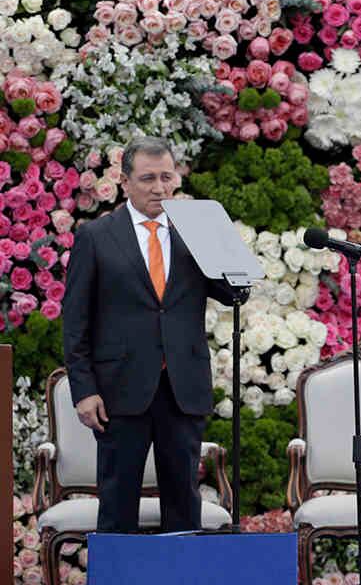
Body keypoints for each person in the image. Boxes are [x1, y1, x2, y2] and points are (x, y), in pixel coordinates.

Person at [62, 136, 235, 533]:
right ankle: (117, 576)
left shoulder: (194, 232)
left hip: (182, 386)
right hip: (119, 390)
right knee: (118, 502)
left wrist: (216, 239)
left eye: (166, 177)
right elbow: (75, 321)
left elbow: (232, 293)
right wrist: (84, 389)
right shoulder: (96, 236)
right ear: (124, 182)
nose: (159, 188)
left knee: (184, 501)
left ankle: (181, 575)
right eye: (147, 179)